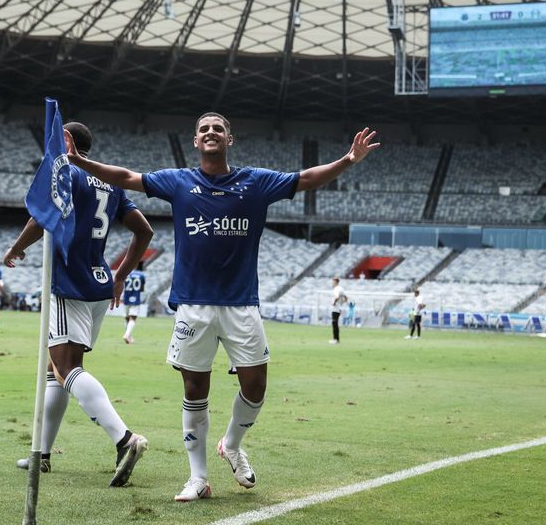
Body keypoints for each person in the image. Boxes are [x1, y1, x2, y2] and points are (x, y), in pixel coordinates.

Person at [66, 113, 379, 501]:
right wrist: (80, 162)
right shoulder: (179, 181)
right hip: (193, 306)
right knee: (195, 389)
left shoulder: (256, 182)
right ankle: (197, 478)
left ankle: (231, 444)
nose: (211, 132)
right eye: (204, 129)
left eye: (218, 128)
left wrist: (348, 160)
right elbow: (128, 178)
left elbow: (307, 178)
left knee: (256, 385)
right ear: (196, 141)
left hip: (241, 304)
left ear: (230, 139)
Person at [7, 121, 154, 488]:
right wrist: (120, 275)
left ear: (68, 141)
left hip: (67, 283)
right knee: (54, 372)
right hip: (100, 284)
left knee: (66, 368)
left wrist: (16, 248)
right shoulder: (109, 180)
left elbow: (40, 219)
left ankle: (125, 440)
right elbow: (144, 231)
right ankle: (41, 455)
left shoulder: (66, 172)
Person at [121, 262, 146, 344]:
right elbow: (142, 289)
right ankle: (127, 335)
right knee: (133, 318)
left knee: (127, 318)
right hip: (135, 298)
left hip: (126, 298)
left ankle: (129, 336)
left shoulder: (126, 273)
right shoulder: (141, 275)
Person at [330, 277, 347, 344]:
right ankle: (337, 339)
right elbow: (345, 297)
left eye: (333, 281)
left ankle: (335, 339)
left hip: (335, 308)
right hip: (339, 308)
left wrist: (334, 302)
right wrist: (342, 302)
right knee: (335, 323)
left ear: (335, 282)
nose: (332, 283)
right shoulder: (341, 288)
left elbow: (336, 297)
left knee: (334, 323)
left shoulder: (336, 289)